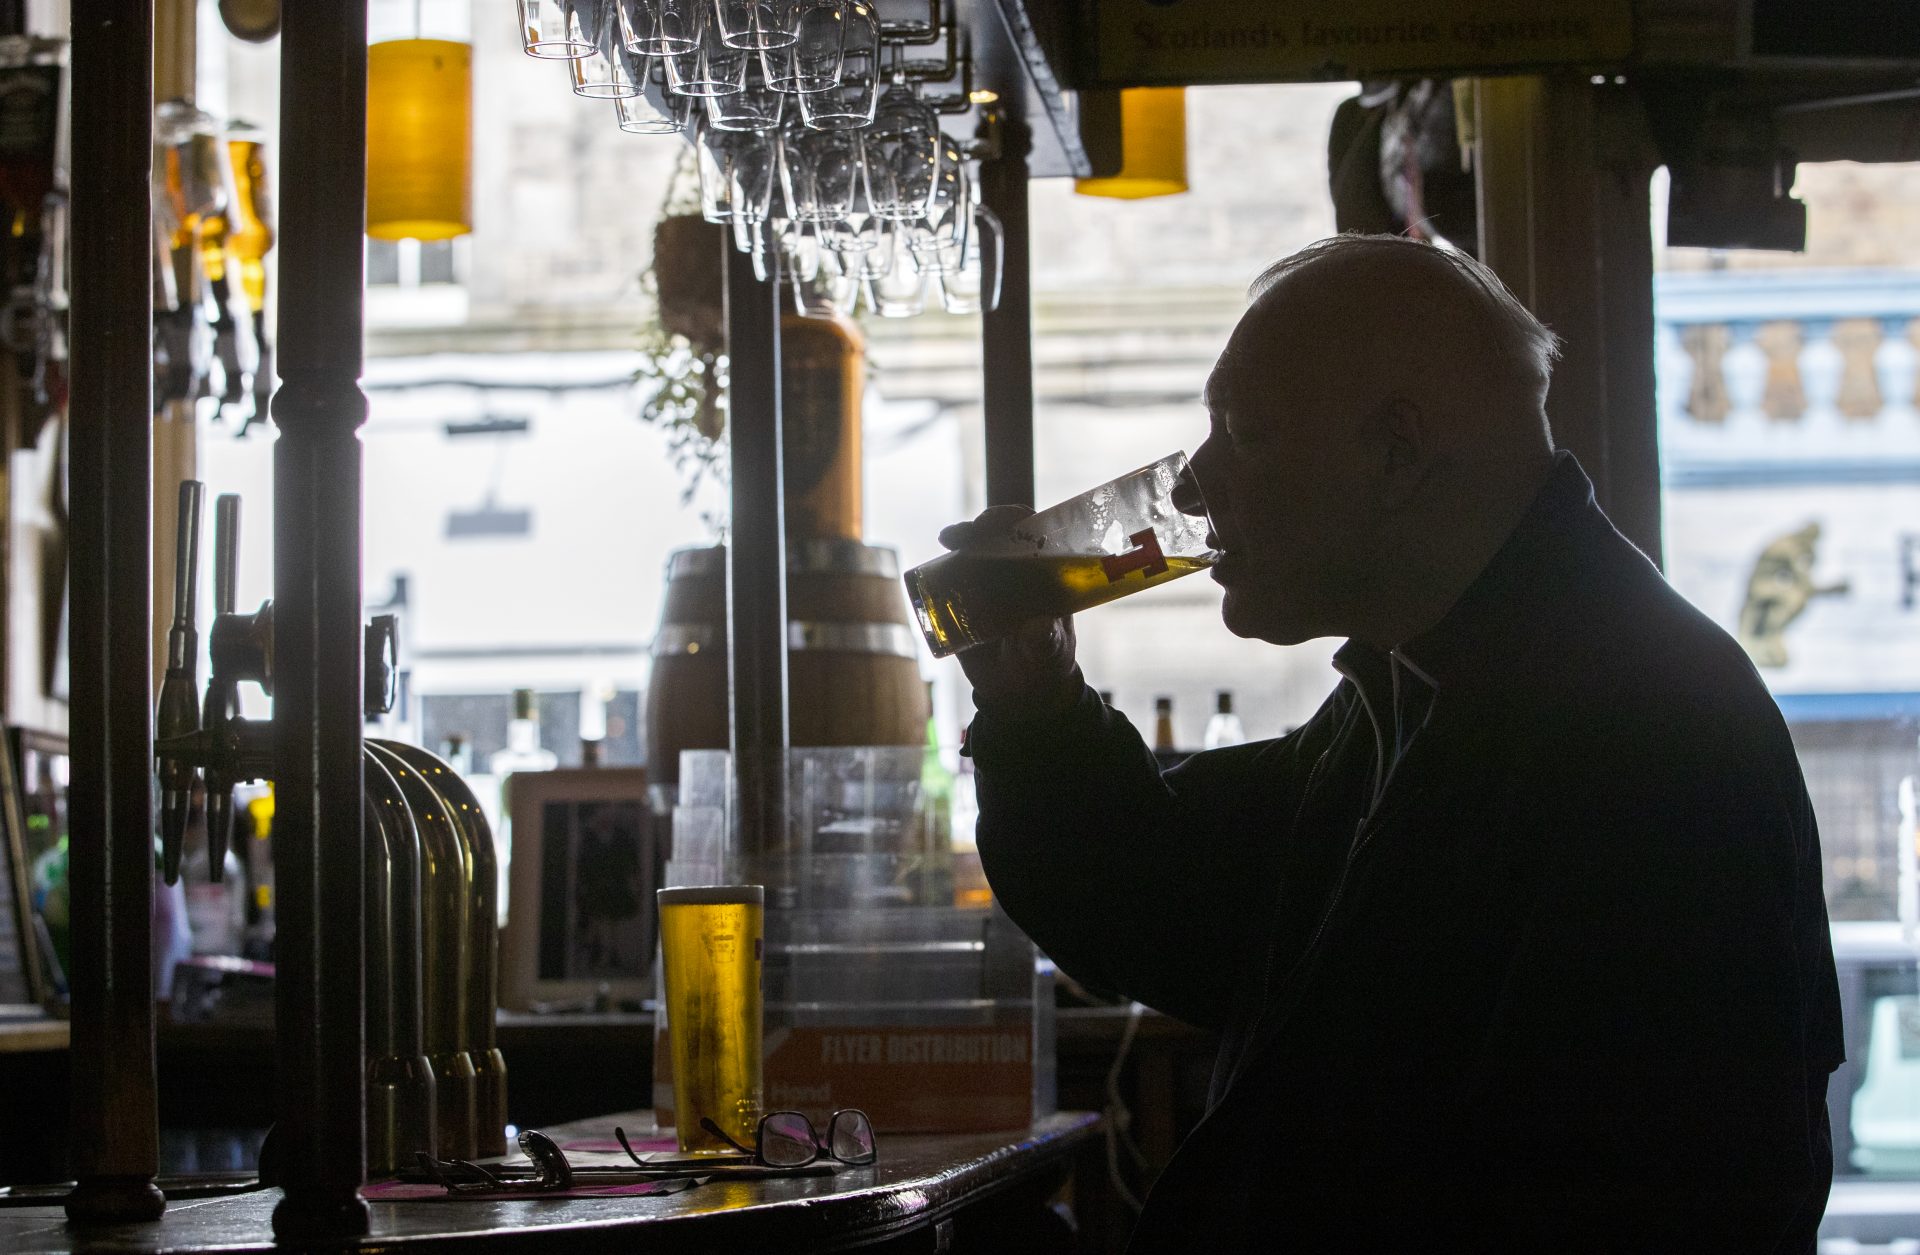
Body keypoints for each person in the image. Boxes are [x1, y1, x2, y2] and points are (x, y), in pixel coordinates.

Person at [945, 235, 1843, 1252]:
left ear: (1399, 451)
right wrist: (1037, 699)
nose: (1192, 488)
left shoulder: (1646, 732)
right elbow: (1178, 904)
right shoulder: (1427, 680)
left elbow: (1656, 1206)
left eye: (1243, 432)